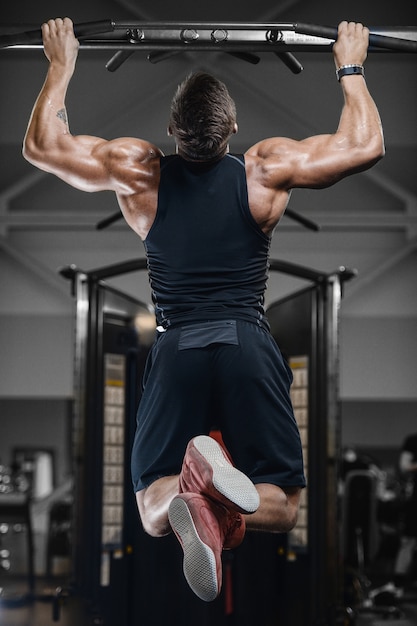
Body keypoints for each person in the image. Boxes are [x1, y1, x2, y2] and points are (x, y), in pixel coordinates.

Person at [22, 18, 385, 602]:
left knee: (148, 508)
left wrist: (60, 65)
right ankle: (214, 496)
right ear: (234, 128)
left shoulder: (140, 171)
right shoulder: (264, 169)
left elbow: (43, 147)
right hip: (245, 341)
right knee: (287, 505)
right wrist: (350, 66)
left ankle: (195, 490)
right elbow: (365, 145)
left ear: (171, 130)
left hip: (176, 348)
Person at [392, 433, 417, 591]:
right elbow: (404, 466)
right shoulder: (413, 441)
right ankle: (398, 583)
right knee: (409, 541)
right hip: (415, 500)